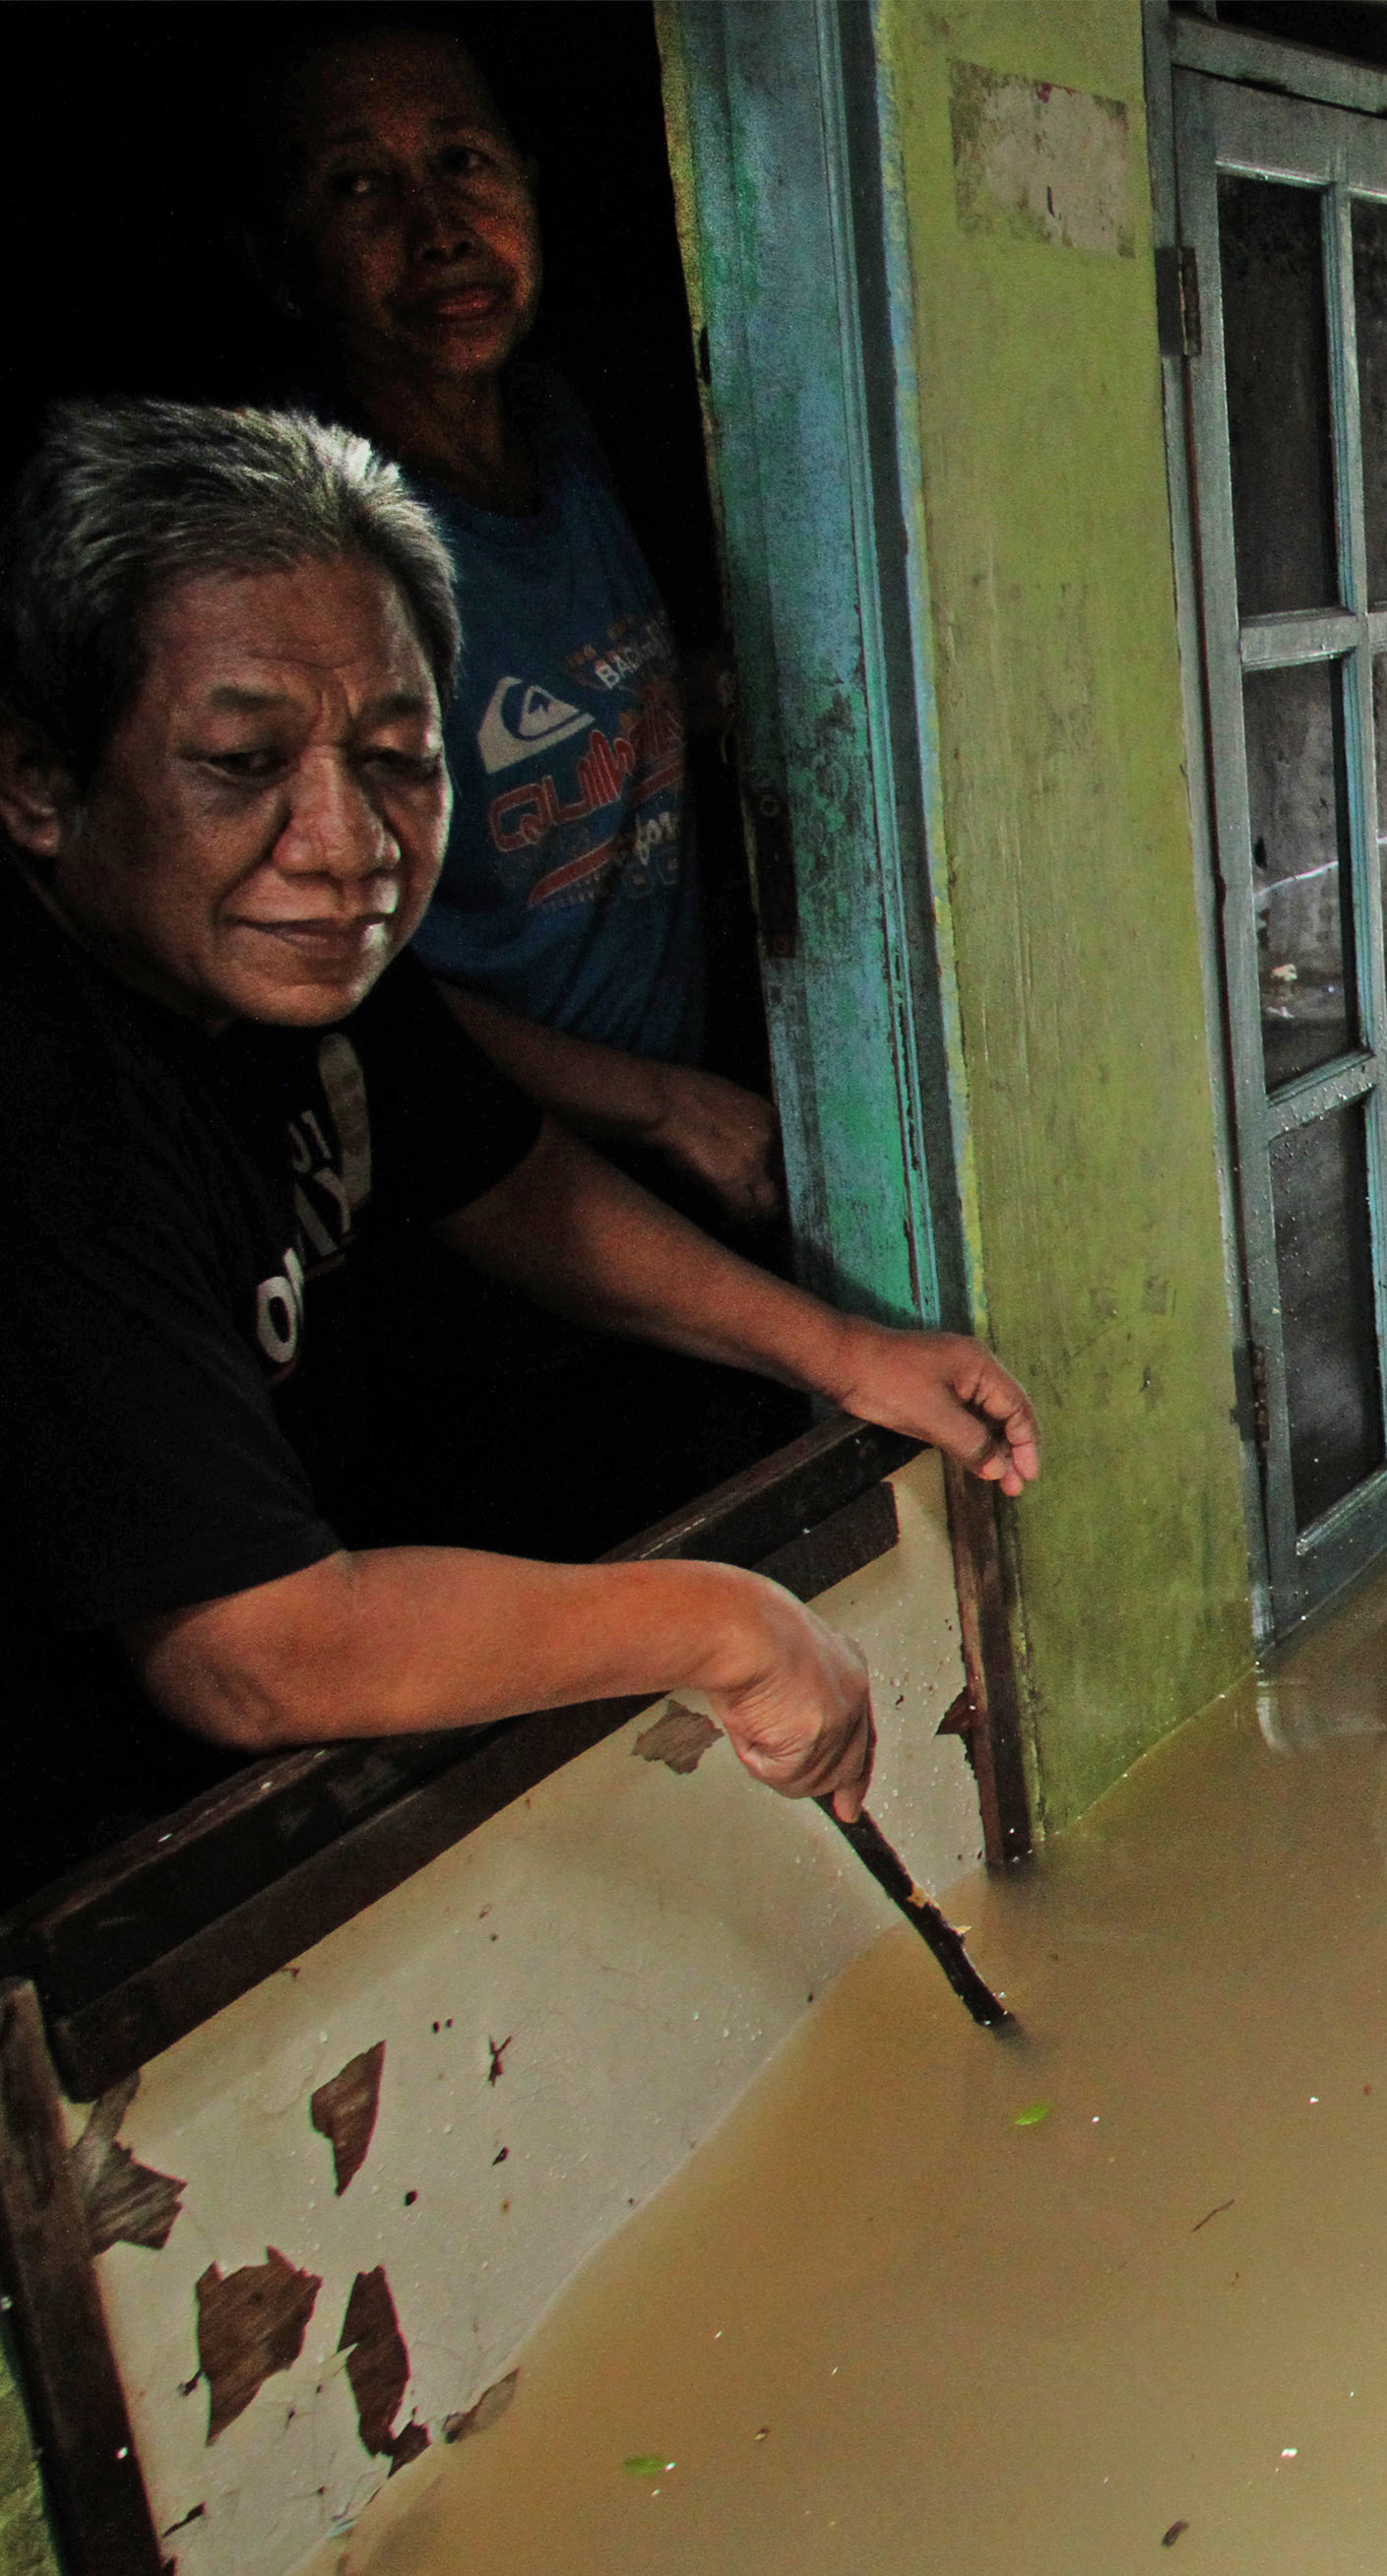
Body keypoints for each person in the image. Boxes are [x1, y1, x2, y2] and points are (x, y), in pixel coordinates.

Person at [0, 400, 1040, 1904]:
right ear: (40, 784)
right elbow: (256, 1652)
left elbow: (506, 1180)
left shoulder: (282, 959)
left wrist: (837, 1350)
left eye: (397, 758)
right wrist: (723, 1626)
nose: (345, 842)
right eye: (240, 762)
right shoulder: (53, 1109)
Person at [254, 17, 771, 1219]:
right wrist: (660, 1102)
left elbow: (565, 699)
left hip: (686, 1133)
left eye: (463, 161)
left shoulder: (561, 425)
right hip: (506, 1192)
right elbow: (354, 978)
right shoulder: (303, 543)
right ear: (277, 258)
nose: (437, 230)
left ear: (527, 184)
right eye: (358, 186)